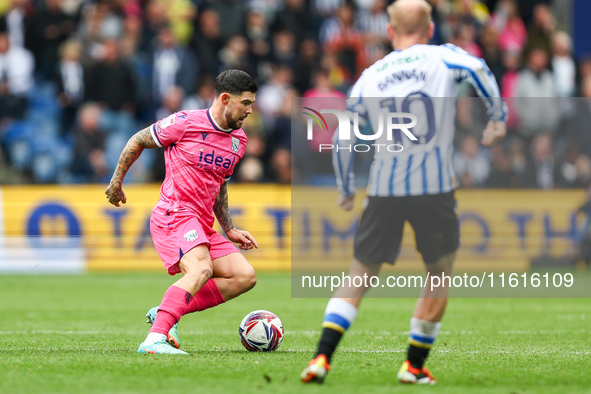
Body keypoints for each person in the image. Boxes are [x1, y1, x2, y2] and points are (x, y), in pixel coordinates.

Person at [301, 0, 507, 385]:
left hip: (384, 187)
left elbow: (345, 136)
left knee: (359, 274)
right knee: (439, 272)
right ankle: (413, 365)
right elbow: (480, 70)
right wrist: (497, 119)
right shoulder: (444, 57)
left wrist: (346, 187)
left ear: (391, 32)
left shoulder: (369, 76)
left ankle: (321, 358)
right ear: (430, 29)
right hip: (435, 187)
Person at [105, 70, 259, 354]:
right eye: (246, 102)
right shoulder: (185, 122)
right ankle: (154, 340)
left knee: (244, 276)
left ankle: (167, 310)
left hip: (202, 223)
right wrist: (116, 183)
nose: (250, 110)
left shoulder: (239, 141)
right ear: (226, 99)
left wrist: (229, 228)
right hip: (174, 214)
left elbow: (220, 184)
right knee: (201, 269)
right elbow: (138, 140)